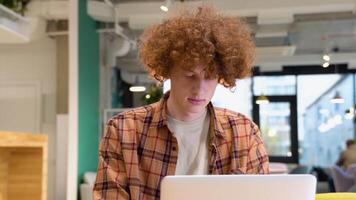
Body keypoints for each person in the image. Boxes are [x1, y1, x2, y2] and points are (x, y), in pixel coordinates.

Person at [93, 5, 269, 200]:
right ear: (168, 71)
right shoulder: (124, 130)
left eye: (210, 77)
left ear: (221, 75)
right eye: (189, 75)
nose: (199, 89)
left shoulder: (244, 132)